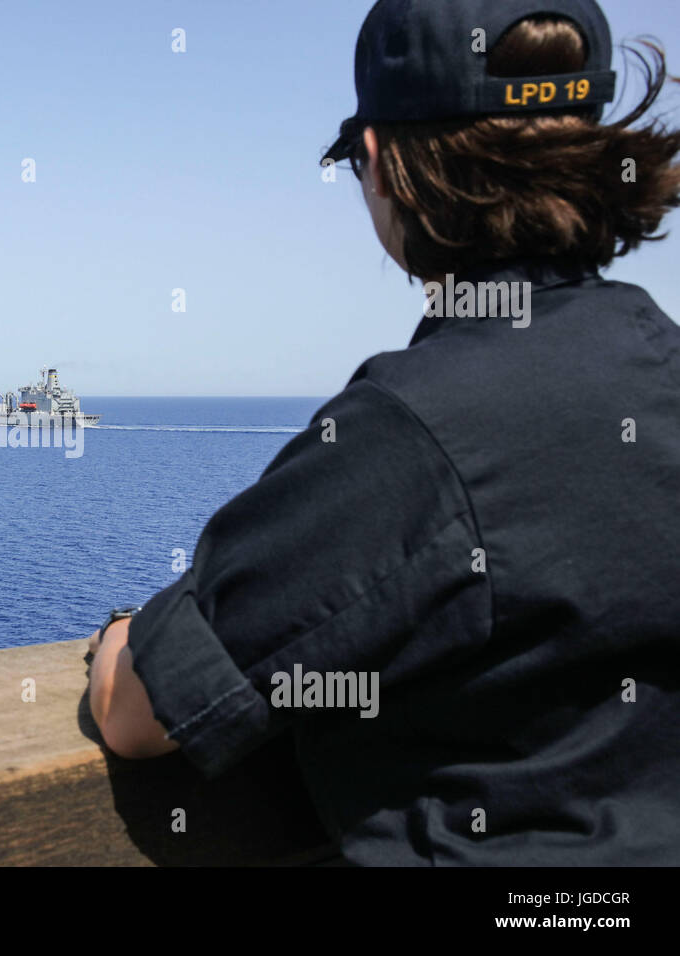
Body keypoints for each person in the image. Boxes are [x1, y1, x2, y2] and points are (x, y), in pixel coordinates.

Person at [86, 0, 680, 865]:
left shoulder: (411, 431)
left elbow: (143, 712)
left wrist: (116, 639)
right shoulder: (662, 362)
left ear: (382, 164)